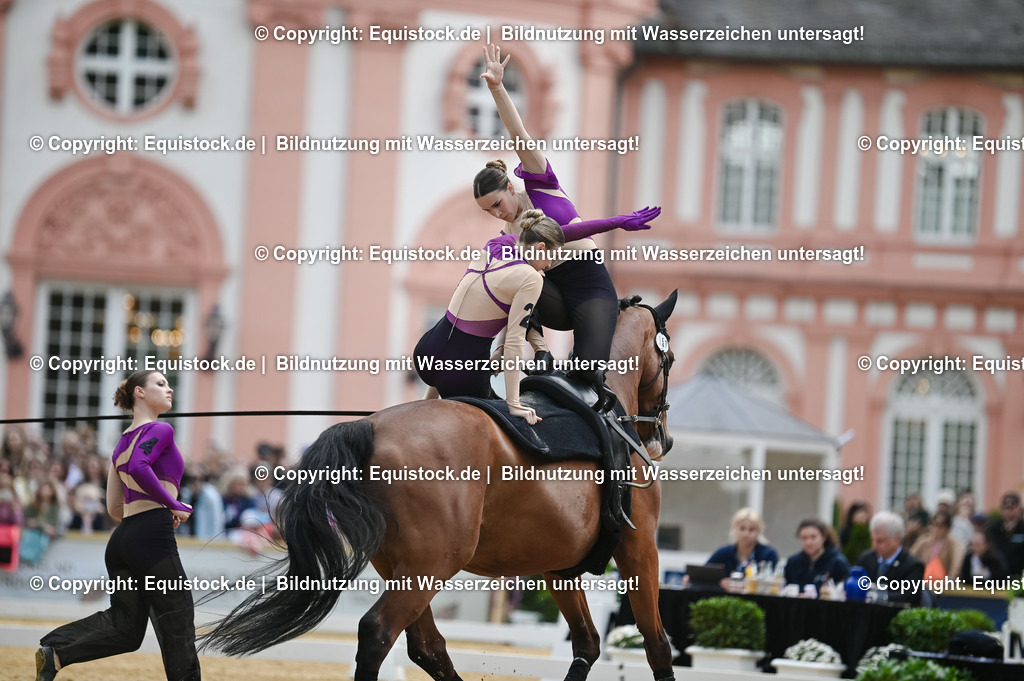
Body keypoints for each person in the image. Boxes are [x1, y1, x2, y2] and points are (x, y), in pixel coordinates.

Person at [474, 44, 660, 385]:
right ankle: (541, 352)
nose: (497, 215)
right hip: (552, 295)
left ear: (510, 188)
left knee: (588, 375)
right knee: (504, 272)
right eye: (488, 211)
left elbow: (518, 134)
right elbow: (513, 295)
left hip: (589, 284)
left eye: (497, 204)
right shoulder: (508, 238)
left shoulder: (538, 181)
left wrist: (497, 88)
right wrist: (503, 346)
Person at [35, 370, 200, 681]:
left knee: (125, 628)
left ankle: (57, 651)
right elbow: (140, 466)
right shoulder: (161, 429)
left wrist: (154, 513)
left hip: (123, 539)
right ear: (139, 392)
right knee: (177, 622)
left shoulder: (120, 444)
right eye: (161, 384)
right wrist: (172, 505)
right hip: (150, 537)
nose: (170, 389)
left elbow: (114, 507)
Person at [414, 209, 565, 424]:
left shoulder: (494, 246)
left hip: (427, 352)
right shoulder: (531, 278)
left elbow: (455, 337)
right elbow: (514, 341)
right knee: (507, 431)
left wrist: (428, 399)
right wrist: (514, 404)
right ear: (540, 248)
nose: (548, 265)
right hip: (462, 370)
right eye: (552, 257)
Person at [856, 511, 926, 605]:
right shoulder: (866, 558)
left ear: (896, 539)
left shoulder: (913, 566)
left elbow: (908, 596)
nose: (874, 545)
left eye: (880, 541)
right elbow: (850, 580)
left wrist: (875, 596)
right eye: (872, 539)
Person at [706, 508, 779, 578]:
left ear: (759, 531)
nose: (746, 534)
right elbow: (703, 575)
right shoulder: (723, 553)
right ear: (734, 529)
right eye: (742, 528)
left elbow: (774, 583)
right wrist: (721, 585)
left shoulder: (768, 555)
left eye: (751, 529)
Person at [784, 518, 850, 593]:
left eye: (813, 537)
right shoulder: (792, 563)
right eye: (804, 538)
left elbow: (845, 592)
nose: (808, 542)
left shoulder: (837, 562)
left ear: (824, 537)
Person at [910, 510, 964, 580]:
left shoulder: (954, 544)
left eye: (940, 526)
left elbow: (956, 565)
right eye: (934, 524)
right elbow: (911, 557)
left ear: (947, 528)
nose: (936, 528)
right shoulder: (923, 541)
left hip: (943, 585)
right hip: (922, 582)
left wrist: (950, 578)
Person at [986, 491, 1024, 576]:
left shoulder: (1022, 529)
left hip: (1017, 576)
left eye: (1011, 508)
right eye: (1005, 508)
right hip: (996, 576)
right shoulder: (992, 529)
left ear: (1019, 508)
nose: (1008, 511)